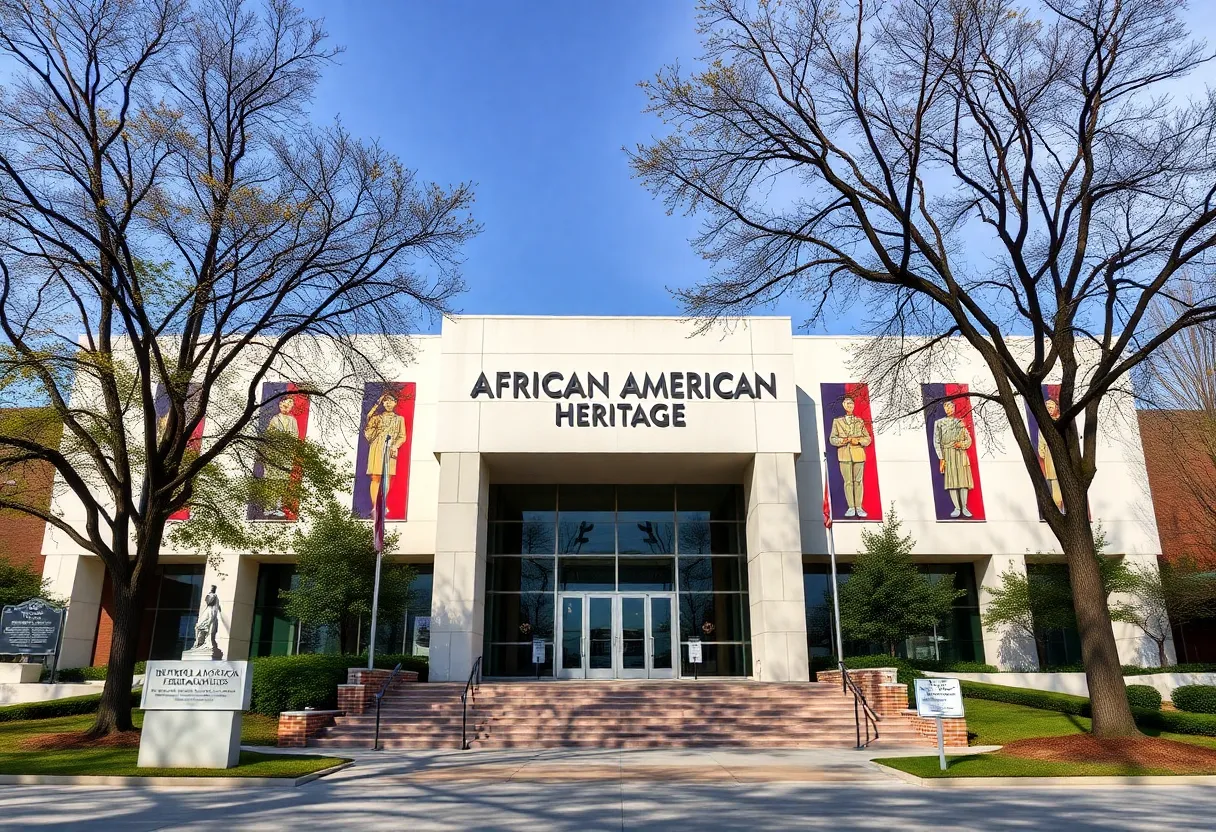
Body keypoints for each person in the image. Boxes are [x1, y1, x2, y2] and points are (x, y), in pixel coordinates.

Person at [364, 390, 408, 513]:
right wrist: (377, 403)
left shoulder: (399, 419)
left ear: (395, 403)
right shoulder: (376, 418)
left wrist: (395, 446)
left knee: (387, 477)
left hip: (390, 448)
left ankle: (382, 503)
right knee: (376, 476)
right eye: (385, 401)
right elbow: (367, 421)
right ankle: (375, 506)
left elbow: (402, 436)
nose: (388, 403)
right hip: (377, 446)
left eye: (391, 401)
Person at [828, 396, 872, 517]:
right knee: (848, 482)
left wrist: (857, 441)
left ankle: (859, 506)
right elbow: (832, 439)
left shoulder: (859, 421)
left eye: (851, 404)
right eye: (847, 404)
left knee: (858, 481)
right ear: (843, 405)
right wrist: (843, 441)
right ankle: (851, 507)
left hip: (858, 454)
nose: (850, 406)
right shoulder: (837, 421)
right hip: (844, 455)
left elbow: (868, 439)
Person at [932, 399, 974, 518]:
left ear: (954, 408)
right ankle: (957, 507)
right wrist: (941, 458)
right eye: (947, 407)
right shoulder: (939, 423)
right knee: (952, 482)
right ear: (944, 409)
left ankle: (965, 507)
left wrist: (962, 444)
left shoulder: (960, 422)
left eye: (951, 407)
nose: (949, 409)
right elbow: (936, 442)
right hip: (947, 454)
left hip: (960, 453)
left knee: (962, 481)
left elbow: (968, 439)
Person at [261, 395, 300, 518]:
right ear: (280, 405)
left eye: (290, 405)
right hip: (274, 455)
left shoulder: (293, 420)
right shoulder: (275, 419)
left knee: (282, 482)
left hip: (286, 455)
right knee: (271, 480)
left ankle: (277, 506)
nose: (287, 407)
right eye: (284, 404)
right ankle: (268, 507)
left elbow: (295, 436)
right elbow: (269, 435)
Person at [1038, 398, 1065, 514]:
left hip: (1064, 456)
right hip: (1051, 458)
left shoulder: (1063, 422)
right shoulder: (1044, 425)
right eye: (1047, 407)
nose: (1049, 410)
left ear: (1056, 408)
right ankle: (1059, 509)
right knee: (1056, 486)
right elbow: (1041, 444)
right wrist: (1043, 454)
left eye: (1051, 407)